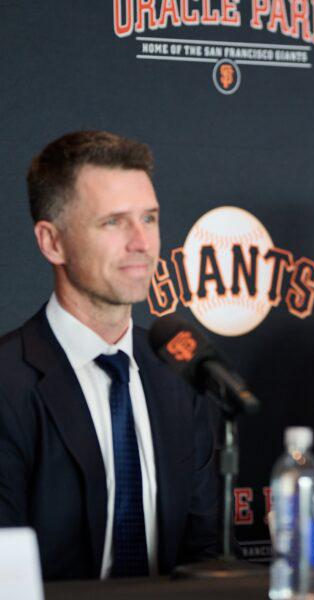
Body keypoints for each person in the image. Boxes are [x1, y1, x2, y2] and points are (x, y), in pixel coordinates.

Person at [0, 131, 218, 579]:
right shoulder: (7, 385)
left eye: (150, 218)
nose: (142, 242)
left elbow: (205, 554)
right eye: (113, 222)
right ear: (51, 242)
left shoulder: (178, 373)